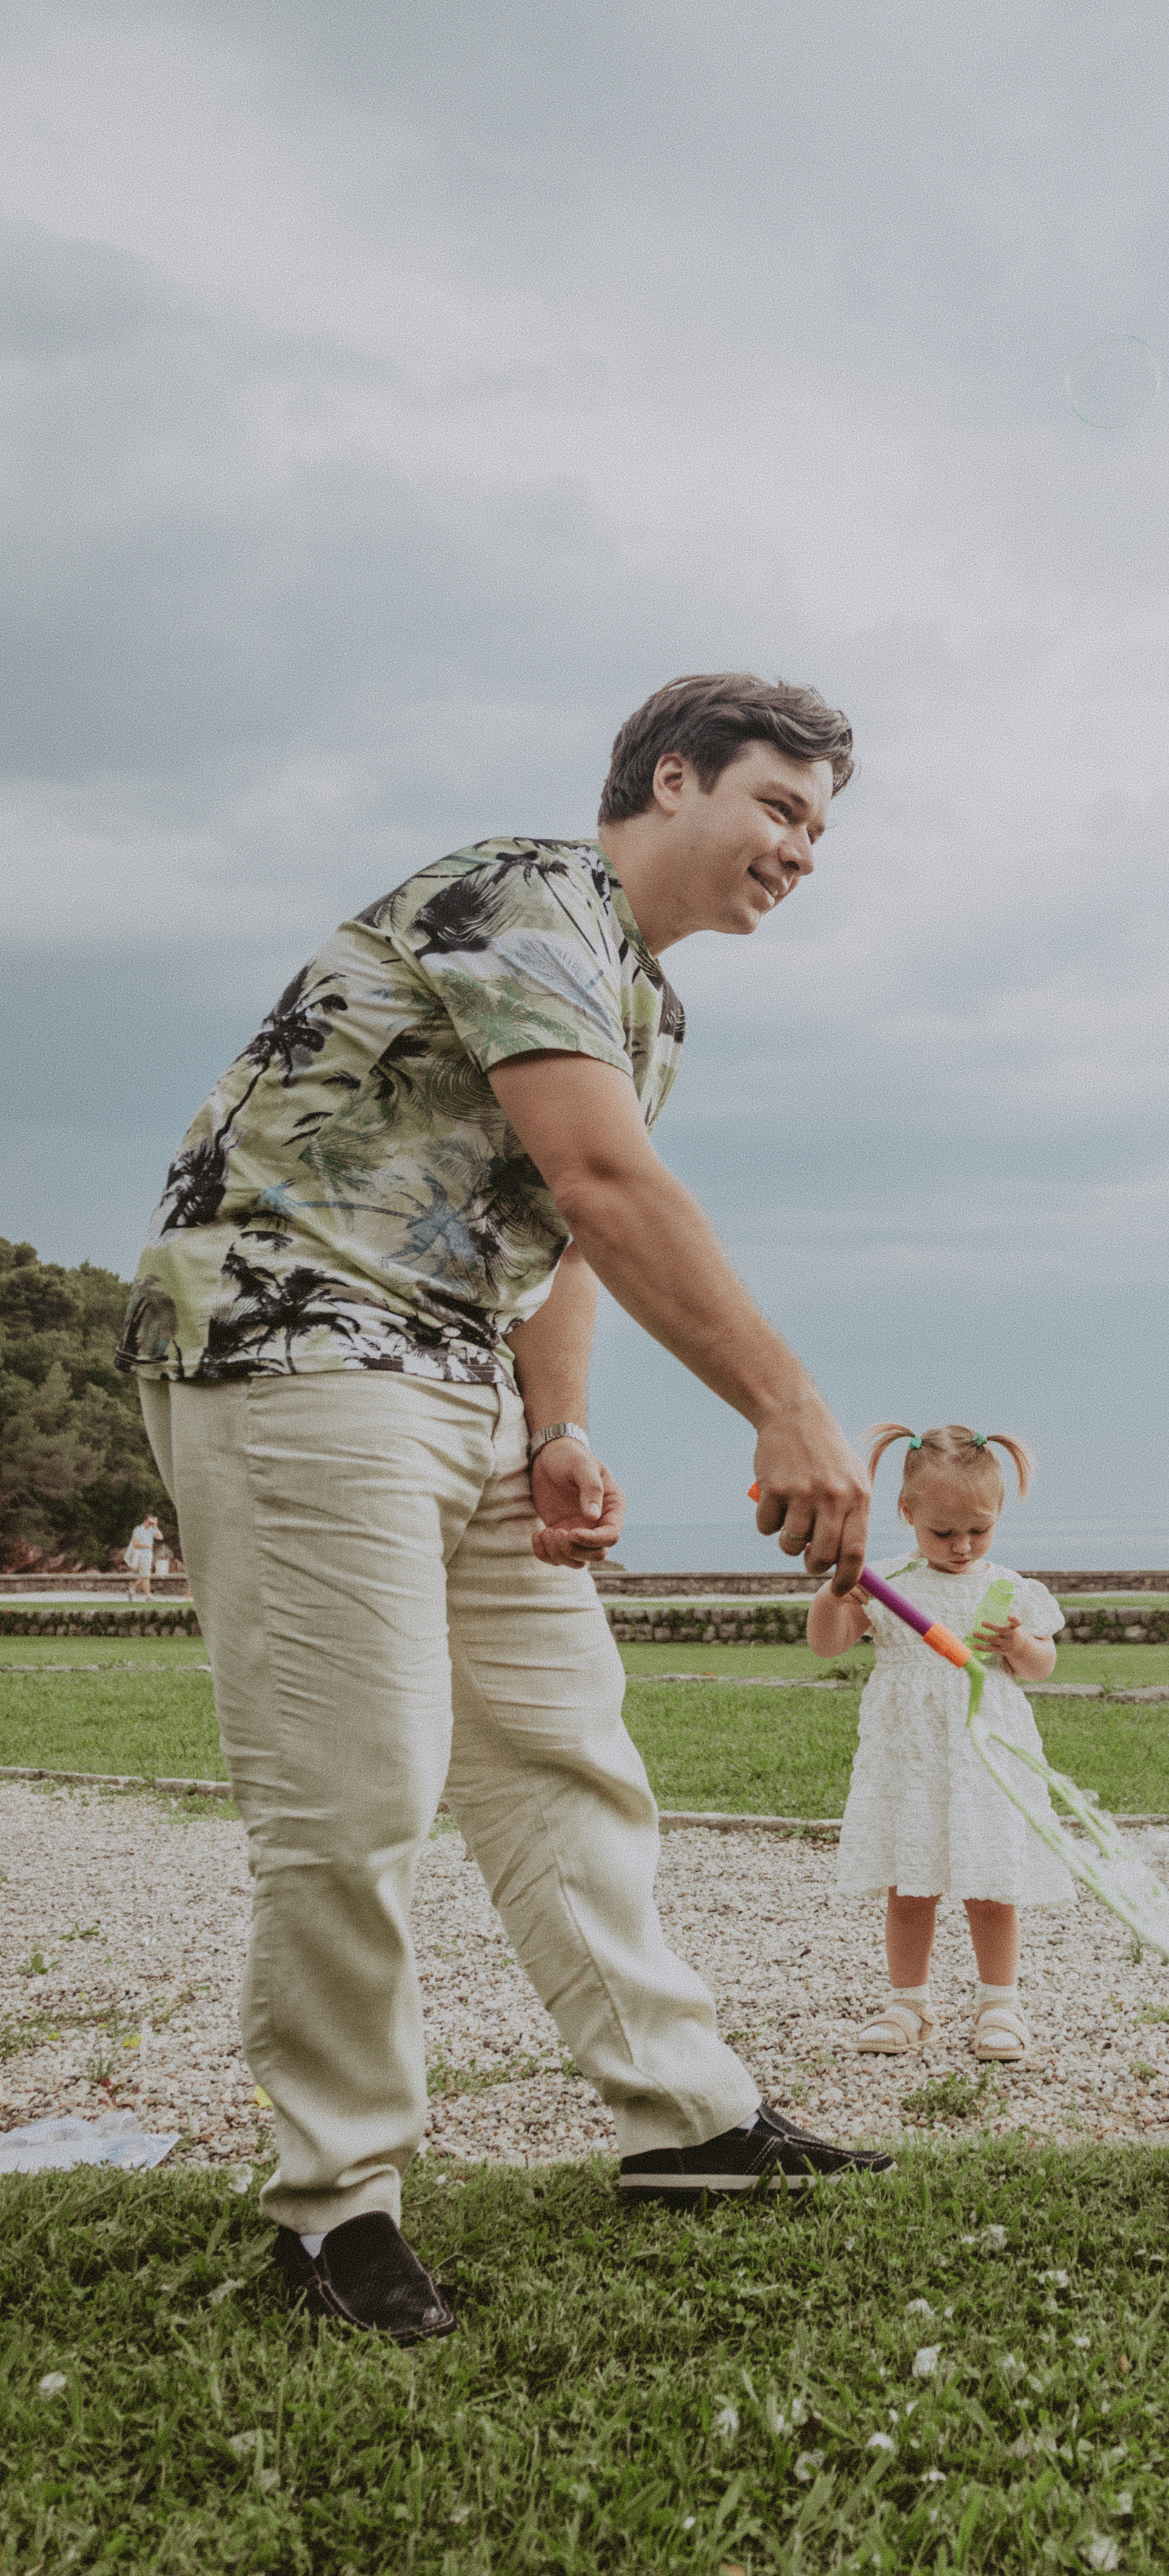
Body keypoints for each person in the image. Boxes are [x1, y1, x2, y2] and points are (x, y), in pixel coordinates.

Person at [117, 672, 891, 2344]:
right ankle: (336, 2204)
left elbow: (555, 1215)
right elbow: (610, 1180)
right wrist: (787, 1405)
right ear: (669, 777)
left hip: (455, 1372)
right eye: (778, 805)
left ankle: (685, 2118)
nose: (801, 848)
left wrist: (562, 1428)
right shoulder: (528, 891)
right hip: (292, 1339)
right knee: (358, 1787)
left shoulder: (650, 1007)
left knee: (563, 1746)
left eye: (820, 826)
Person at [811, 1422, 1071, 2065]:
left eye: (977, 1530)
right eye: (943, 1532)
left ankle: (999, 2003)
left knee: (990, 1883)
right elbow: (827, 1643)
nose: (961, 1546)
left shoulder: (1009, 1590)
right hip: (913, 1758)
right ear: (907, 1514)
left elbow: (1042, 1666)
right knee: (911, 1880)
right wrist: (834, 1588)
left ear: (998, 1514)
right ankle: (909, 2004)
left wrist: (1018, 1645)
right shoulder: (886, 1584)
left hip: (984, 1754)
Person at [124, 1513, 161, 1599]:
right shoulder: (138, 1530)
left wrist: (155, 1526)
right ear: (145, 1521)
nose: (150, 1524)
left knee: (145, 1575)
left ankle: (132, 1590)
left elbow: (160, 1537)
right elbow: (135, 1544)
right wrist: (146, 1546)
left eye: (152, 1522)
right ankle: (148, 1596)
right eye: (149, 1522)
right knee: (146, 1576)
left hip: (149, 1555)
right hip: (140, 1555)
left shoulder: (152, 1530)